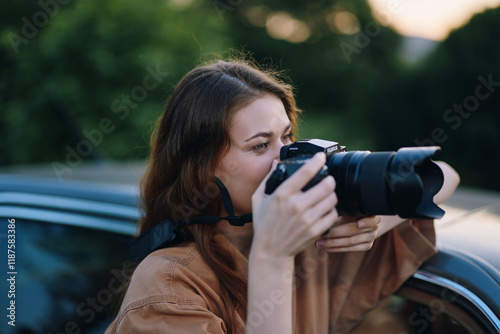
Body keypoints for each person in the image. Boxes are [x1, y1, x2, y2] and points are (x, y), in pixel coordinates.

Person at [105, 57, 460, 334]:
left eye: (287, 137)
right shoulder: (168, 286)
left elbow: (439, 175)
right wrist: (272, 258)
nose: (287, 158)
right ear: (203, 171)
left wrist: (372, 223)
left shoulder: (314, 245)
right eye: (260, 145)